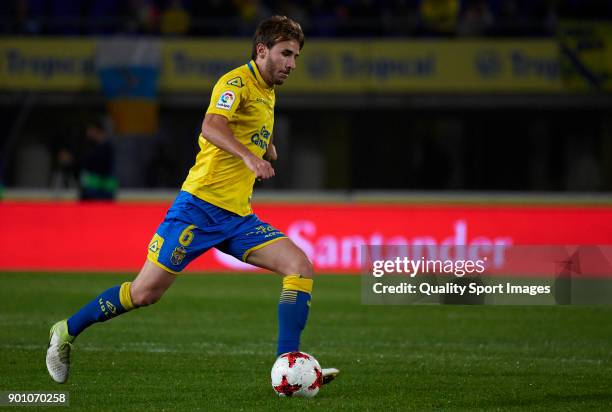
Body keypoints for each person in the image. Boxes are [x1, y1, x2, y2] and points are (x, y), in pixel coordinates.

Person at [46, 15, 339, 388]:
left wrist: (263, 144)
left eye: (295, 56)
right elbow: (212, 126)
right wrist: (251, 158)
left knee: (299, 266)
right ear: (262, 50)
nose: (292, 64)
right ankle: (65, 331)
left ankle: (290, 364)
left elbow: (242, 126)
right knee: (144, 293)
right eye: (285, 54)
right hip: (198, 209)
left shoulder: (267, 90)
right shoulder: (235, 82)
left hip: (238, 217)